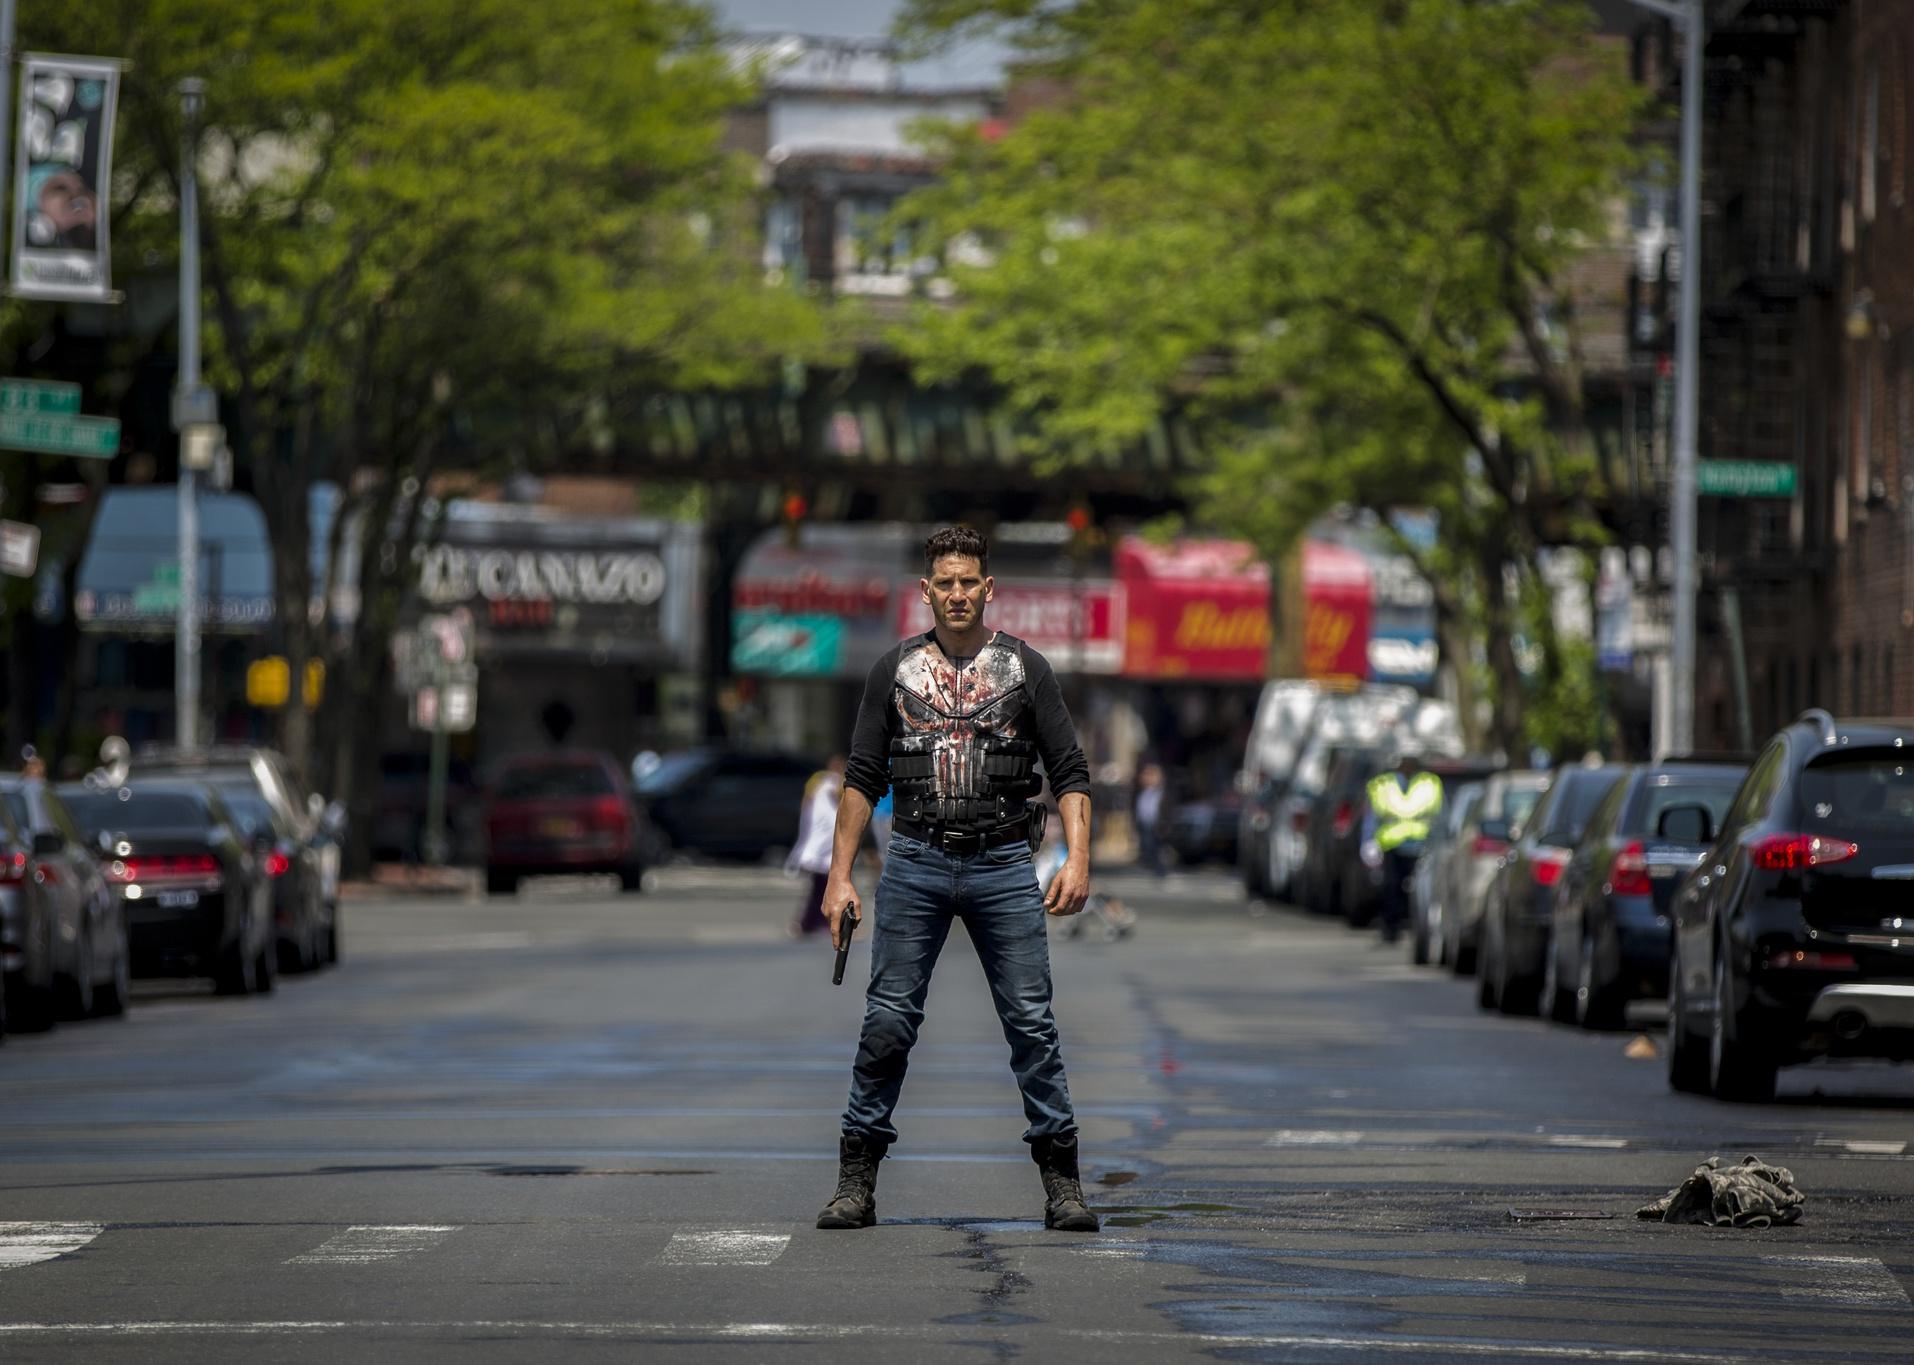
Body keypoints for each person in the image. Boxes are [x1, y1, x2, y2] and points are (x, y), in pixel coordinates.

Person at [815, 525, 1099, 1233]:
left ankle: (1063, 1185)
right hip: (914, 860)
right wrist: (838, 876)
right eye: (946, 582)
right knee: (888, 1021)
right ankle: (856, 1181)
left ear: (988, 587)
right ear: (927, 590)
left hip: (1005, 863)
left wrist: (1080, 857)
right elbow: (860, 777)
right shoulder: (894, 671)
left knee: (1032, 1026)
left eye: (969, 581)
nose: (958, 593)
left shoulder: (1026, 668)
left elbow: (1069, 771)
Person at [1364, 752, 1443, 945]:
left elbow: (1439, 817)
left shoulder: (1430, 783)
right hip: (1393, 845)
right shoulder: (1383, 784)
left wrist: (1438, 843)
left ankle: (1419, 928)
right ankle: (1391, 929)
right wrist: (1368, 841)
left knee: (1421, 891)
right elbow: (1372, 817)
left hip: (1421, 846)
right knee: (1391, 889)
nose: (1406, 766)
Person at [786, 756, 845, 936]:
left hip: (827, 841)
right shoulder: (822, 779)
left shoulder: (837, 782)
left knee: (822, 887)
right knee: (820, 887)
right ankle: (808, 923)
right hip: (822, 841)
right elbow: (812, 799)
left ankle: (813, 922)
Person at [1133, 762, 1167, 877]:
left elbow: (1167, 810)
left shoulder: (1163, 793)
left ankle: (1159, 869)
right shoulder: (1139, 793)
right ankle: (1149, 865)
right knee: (1146, 846)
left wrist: (1165, 824)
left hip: (1157, 825)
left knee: (1158, 849)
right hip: (1144, 824)